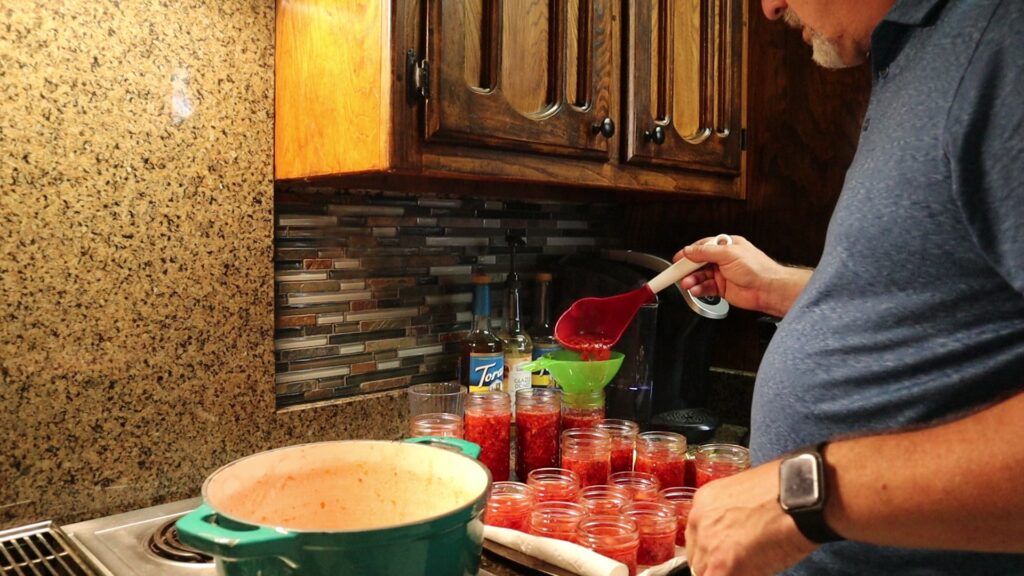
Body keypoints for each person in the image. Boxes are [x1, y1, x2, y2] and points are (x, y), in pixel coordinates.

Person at [673, 1, 1024, 575]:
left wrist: (803, 495)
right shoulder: (914, 54)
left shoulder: (1004, 40)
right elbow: (945, 304)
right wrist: (786, 290)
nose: (768, 8)